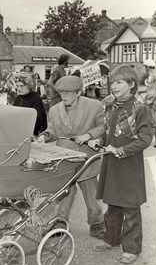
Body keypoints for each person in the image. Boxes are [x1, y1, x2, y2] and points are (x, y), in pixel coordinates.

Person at [93, 65, 154, 265]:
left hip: (129, 164)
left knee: (130, 208)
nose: (114, 85)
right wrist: (99, 141)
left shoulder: (141, 108)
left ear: (131, 85)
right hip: (112, 164)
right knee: (112, 205)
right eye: (112, 82)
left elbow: (145, 139)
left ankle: (132, 248)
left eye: (119, 82)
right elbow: (107, 132)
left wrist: (120, 150)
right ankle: (111, 239)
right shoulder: (110, 106)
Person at [36, 75, 105, 239]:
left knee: (90, 193)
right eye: (61, 92)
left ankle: (96, 224)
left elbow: (103, 126)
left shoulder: (94, 106)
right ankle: (60, 223)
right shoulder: (54, 110)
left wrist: (89, 135)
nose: (64, 96)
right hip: (65, 158)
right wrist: (44, 136)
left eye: (68, 92)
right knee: (64, 192)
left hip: (86, 157)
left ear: (79, 92)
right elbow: (53, 129)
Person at [143, 59, 156, 147]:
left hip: (154, 100)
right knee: (149, 119)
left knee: (155, 120)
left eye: (145, 67)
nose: (144, 69)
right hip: (148, 99)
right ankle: (150, 138)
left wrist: (152, 99)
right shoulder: (150, 75)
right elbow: (150, 88)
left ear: (147, 67)